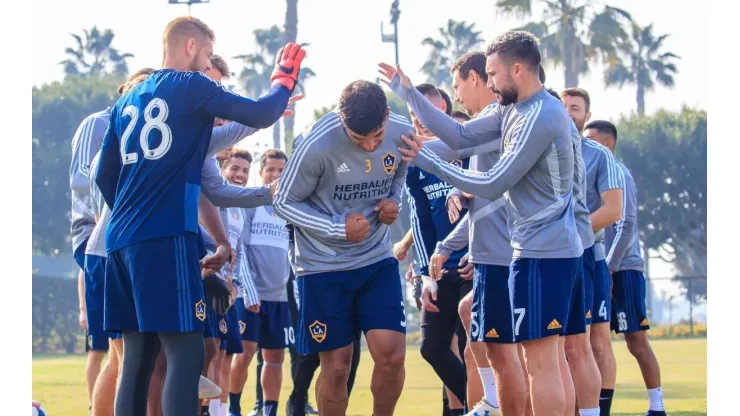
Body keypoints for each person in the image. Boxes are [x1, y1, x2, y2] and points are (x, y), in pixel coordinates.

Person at [94, 15, 304, 415]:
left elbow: (105, 174)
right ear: (190, 46)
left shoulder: (126, 100)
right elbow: (259, 113)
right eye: (207, 54)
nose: (208, 65)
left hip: (120, 239)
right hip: (163, 235)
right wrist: (283, 80)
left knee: (137, 356)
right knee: (186, 351)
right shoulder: (190, 85)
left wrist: (131, 209)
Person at [380, 30, 592, 416]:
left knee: (542, 361)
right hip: (541, 248)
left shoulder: (541, 115)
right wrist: (407, 92)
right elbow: (459, 136)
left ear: (517, 70)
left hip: (546, 250)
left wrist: (428, 161)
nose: (489, 82)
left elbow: (494, 184)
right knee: (544, 358)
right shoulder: (512, 107)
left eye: (492, 74)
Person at [273, 80, 411, 416]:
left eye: (377, 136)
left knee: (392, 355)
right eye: (357, 139)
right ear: (340, 119)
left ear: (388, 117)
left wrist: (393, 200)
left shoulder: (402, 132)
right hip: (323, 268)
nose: (369, 146)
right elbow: (282, 202)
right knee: (337, 367)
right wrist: (336, 228)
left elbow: (401, 173)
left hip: (376, 260)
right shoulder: (313, 145)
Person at [587, 120, 668, 416]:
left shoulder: (618, 172)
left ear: (607, 144)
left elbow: (626, 224)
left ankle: (657, 407)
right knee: (593, 340)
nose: (587, 144)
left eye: (592, 139)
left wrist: (609, 268)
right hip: (597, 265)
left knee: (636, 340)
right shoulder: (588, 169)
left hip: (623, 268)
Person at [402, 83, 469, 415]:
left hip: (476, 263)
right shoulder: (415, 163)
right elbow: (421, 221)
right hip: (441, 267)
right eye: (415, 114)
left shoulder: (470, 145)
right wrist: (426, 274)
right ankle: (482, 403)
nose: (421, 120)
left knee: (478, 347)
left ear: (444, 107)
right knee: (433, 348)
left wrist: (479, 254)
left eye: (427, 111)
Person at [562, 89, 625, 416]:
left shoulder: (599, 156)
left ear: (586, 116)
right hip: (554, 259)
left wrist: (571, 232)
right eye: (563, 106)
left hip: (589, 257)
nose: (568, 112)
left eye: (575, 108)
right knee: (564, 345)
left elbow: (613, 210)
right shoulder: (545, 147)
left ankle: (599, 410)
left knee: (592, 341)